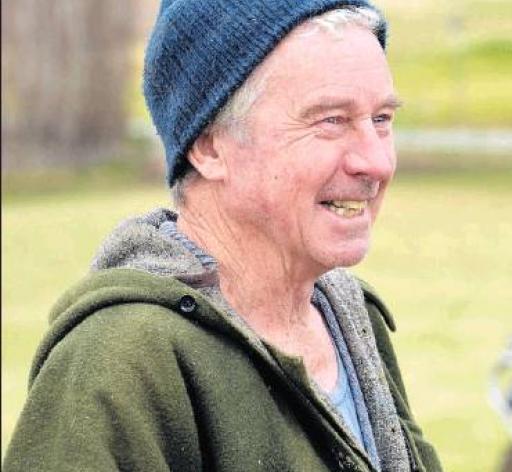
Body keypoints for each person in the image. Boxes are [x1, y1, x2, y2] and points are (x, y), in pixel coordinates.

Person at [3, 1, 441, 471]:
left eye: (381, 120)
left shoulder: (352, 323)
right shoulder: (120, 359)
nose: (375, 162)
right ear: (209, 145)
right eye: (331, 121)